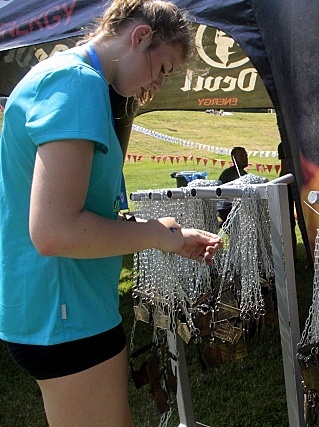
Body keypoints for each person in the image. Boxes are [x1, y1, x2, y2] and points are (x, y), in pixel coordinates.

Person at [0, 1, 223, 426]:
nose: (157, 84)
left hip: (67, 308)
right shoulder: (76, 83)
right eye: (162, 68)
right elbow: (54, 232)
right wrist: (159, 235)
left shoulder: (71, 80)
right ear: (140, 37)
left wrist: (169, 237)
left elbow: (81, 214)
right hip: (64, 314)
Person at [217, 146, 249, 222]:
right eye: (241, 156)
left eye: (246, 156)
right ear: (233, 159)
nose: (245, 159)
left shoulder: (245, 174)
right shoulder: (228, 174)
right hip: (228, 210)